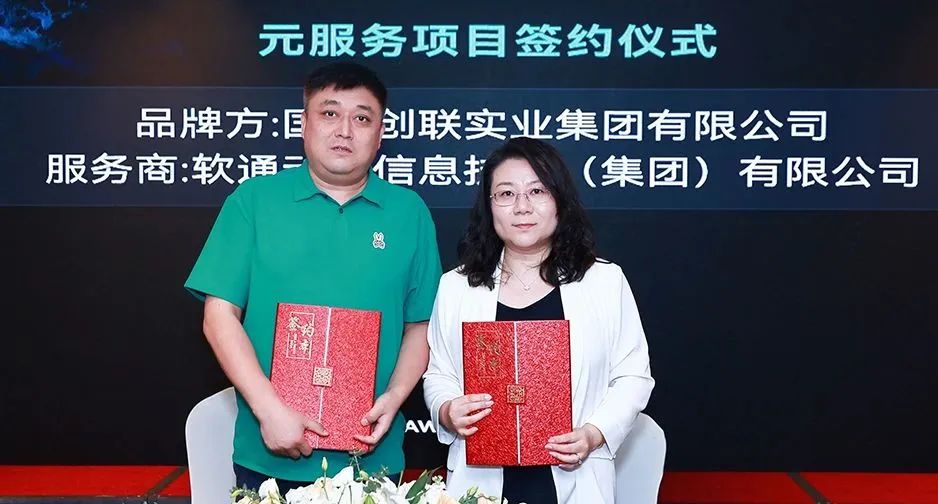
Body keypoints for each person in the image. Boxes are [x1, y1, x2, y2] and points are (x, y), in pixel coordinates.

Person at [184, 62, 442, 491]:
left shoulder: (409, 212)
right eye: (330, 113)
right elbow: (219, 315)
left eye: (362, 118)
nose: (345, 130)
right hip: (268, 455)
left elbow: (421, 326)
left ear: (380, 134)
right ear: (303, 124)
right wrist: (269, 410)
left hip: (374, 460)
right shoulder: (254, 200)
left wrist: (395, 396)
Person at [423, 137, 654, 503]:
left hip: (576, 477)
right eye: (506, 194)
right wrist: (448, 410)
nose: (522, 207)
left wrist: (594, 433)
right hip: (480, 480)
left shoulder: (603, 281)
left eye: (537, 191)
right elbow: (439, 374)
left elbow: (633, 376)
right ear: (489, 206)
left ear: (559, 200)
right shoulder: (457, 286)